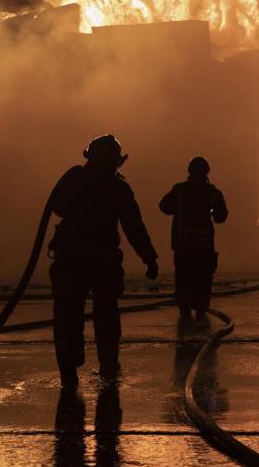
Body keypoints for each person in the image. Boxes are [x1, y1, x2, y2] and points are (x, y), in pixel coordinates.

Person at [47, 134, 159, 387]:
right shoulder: (117, 188)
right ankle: (105, 363)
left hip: (74, 260)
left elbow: (58, 208)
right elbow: (133, 226)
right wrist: (148, 257)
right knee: (102, 314)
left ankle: (71, 367)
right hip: (98, 262)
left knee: (69, 315)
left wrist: (149, 256)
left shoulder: (77, 179)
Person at [159, 157, 228, 317]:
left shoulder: (179, 190)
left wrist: (180, 207)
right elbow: (220, 217)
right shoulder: (213, 192)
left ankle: (185, 307)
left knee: (183, 276)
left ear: (190, 171)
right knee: (203, 278)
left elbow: (164, 207)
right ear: (206, 172)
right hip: (204, 247)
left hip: (183, 245)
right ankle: (201, 306)